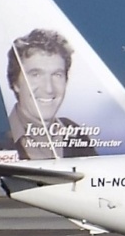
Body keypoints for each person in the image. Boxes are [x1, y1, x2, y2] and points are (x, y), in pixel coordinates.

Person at [6, 29, 98, 159]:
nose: (49, 89)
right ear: (15, 83)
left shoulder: (75, 133)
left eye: (57, 75)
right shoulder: (3, 137)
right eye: (36, 74)